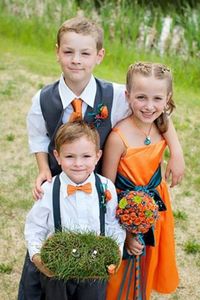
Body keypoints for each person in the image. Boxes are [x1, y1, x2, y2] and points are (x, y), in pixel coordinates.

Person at [19, 16, 184, 299]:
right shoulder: (43, 99)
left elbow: (156, 108)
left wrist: (176, 150)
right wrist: (43, 168)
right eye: (68, 52)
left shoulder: (118, 95)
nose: (76, 60)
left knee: (96, 252)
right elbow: (38, 137)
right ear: (57, 51)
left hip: (100, 188)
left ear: (99, 56)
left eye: (85, 53)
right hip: (63, 186)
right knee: (49, 240)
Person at [102, 62, 182, 300]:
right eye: (141, 97)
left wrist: (177, 154)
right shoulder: (118, 138)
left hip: (156, 208)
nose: (149, 106)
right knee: (121, 273)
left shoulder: (160, 124)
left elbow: (167, 125)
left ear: (167, 99)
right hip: (124, 212)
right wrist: (125, 232)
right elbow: (107, 189)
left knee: (147, 262)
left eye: (157, 98)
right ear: (128, 96)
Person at [24, 121, 125, 300]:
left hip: (94, 270)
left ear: (97, 156)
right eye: (70, 156)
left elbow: (114, 224)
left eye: (86, 156)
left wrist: (116, 250)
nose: (78, 163)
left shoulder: (106, 187)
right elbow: (34, 228)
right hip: (56, 272)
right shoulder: (48, 190)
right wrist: (37, 257)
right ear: (57, 156)